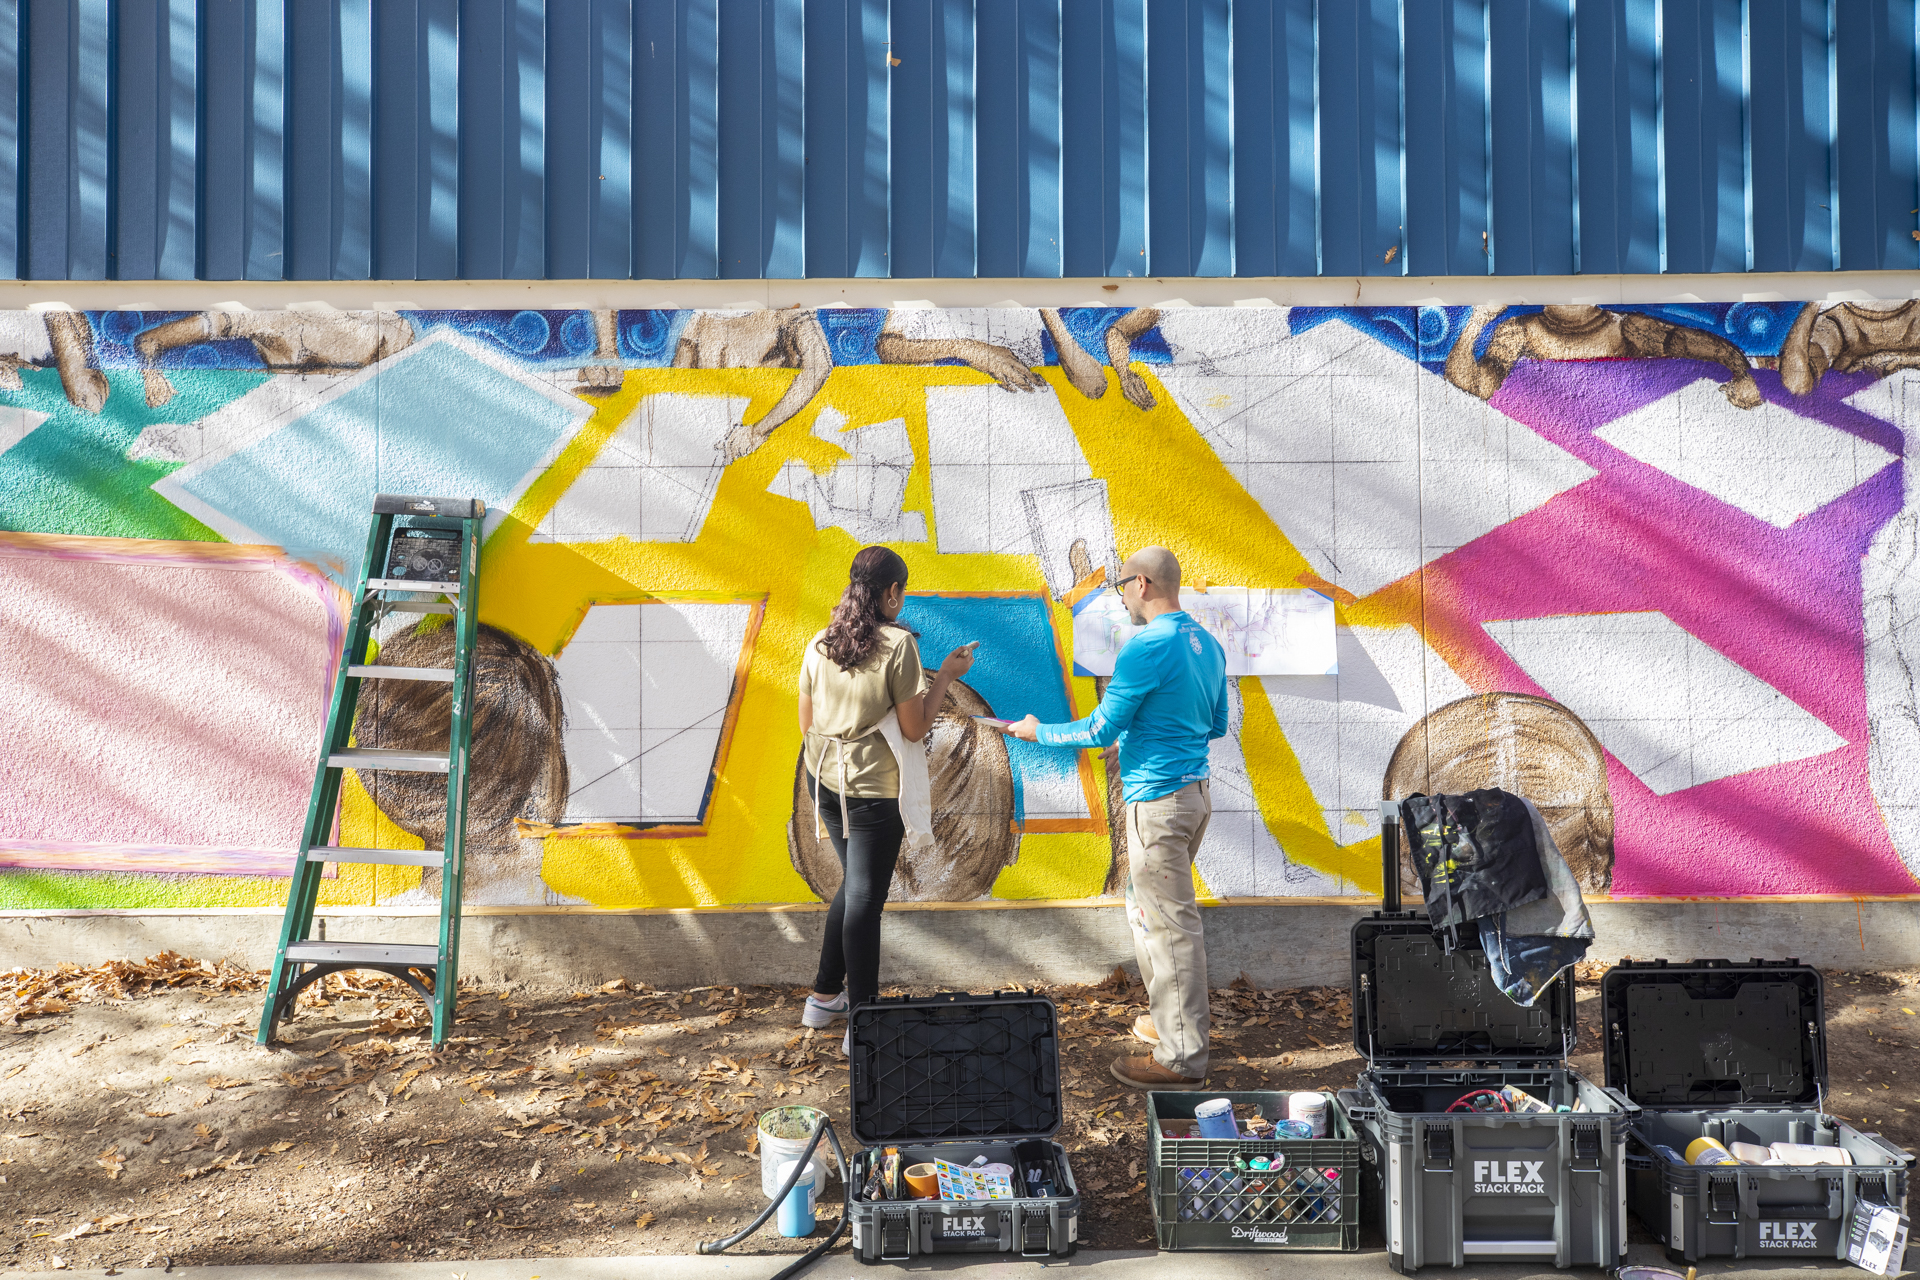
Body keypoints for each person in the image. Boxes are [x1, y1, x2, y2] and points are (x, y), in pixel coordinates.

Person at [1004, 546, 1227, 1089]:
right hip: (1191, 797)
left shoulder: (1146, 647)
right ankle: (1168, 1023)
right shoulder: (1206, 644)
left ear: (1144, 584)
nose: (1120, 594)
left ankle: (1181, 1060)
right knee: (1148, 914)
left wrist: (1040, 732)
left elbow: (1101, 730)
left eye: (1122, 584)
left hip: (1159, 805)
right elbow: (1214, 724)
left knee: (1171, 931)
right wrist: (1150, 732)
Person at [797, 546, 976, 1051]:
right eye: (904, 590)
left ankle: (824, 996)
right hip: (873, 792)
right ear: (892, 593)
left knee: (854, 886)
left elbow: (806, 723)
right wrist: (945, 677)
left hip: (826, 784)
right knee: (865, 899)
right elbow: (915, 729)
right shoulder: (898, 647)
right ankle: (864, 1019)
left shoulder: (820, 642)